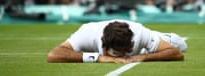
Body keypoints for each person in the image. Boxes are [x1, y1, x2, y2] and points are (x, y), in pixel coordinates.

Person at [47, 19, 187, 63]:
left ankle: (157, 41)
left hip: (147, 39)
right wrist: (98, 58)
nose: (121, 57)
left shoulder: (138, 33)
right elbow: (53, 55)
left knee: (181, 45)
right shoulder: (87, 32)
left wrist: (142, 57)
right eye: (116, 53)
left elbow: (177, 54)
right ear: (103, 41)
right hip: (99, 47)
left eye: (125, 52)